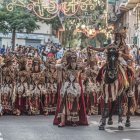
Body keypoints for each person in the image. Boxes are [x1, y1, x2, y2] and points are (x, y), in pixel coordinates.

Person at [53, 50, 88, 127]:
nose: (73, 61)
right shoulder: (64, 67)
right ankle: (62, 121)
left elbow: (84, 68)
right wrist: (63, 64)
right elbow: (56, 66)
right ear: (68, 60)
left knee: (75, 103)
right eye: (71, 59)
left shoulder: (78, 67)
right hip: (66, 86)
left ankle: (74, 121)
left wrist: (83, 64)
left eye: (74, 59)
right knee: (63, 102)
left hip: (75, 86)